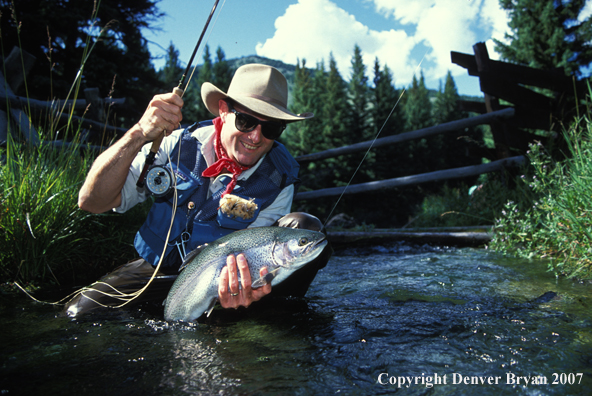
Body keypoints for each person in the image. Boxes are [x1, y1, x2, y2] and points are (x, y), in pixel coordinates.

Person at [65, 64, 330, 318]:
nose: (256, 137)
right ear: (224, 110)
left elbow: (255, 255)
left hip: (219, 275)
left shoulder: (279, 178)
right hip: (158, 268)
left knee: (307, 227)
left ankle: (268, 318)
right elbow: (91, 201)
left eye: (271, 127)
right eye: (246, 121)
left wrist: (244, 287)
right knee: (80, 312)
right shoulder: (175, 145)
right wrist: (139, 133)